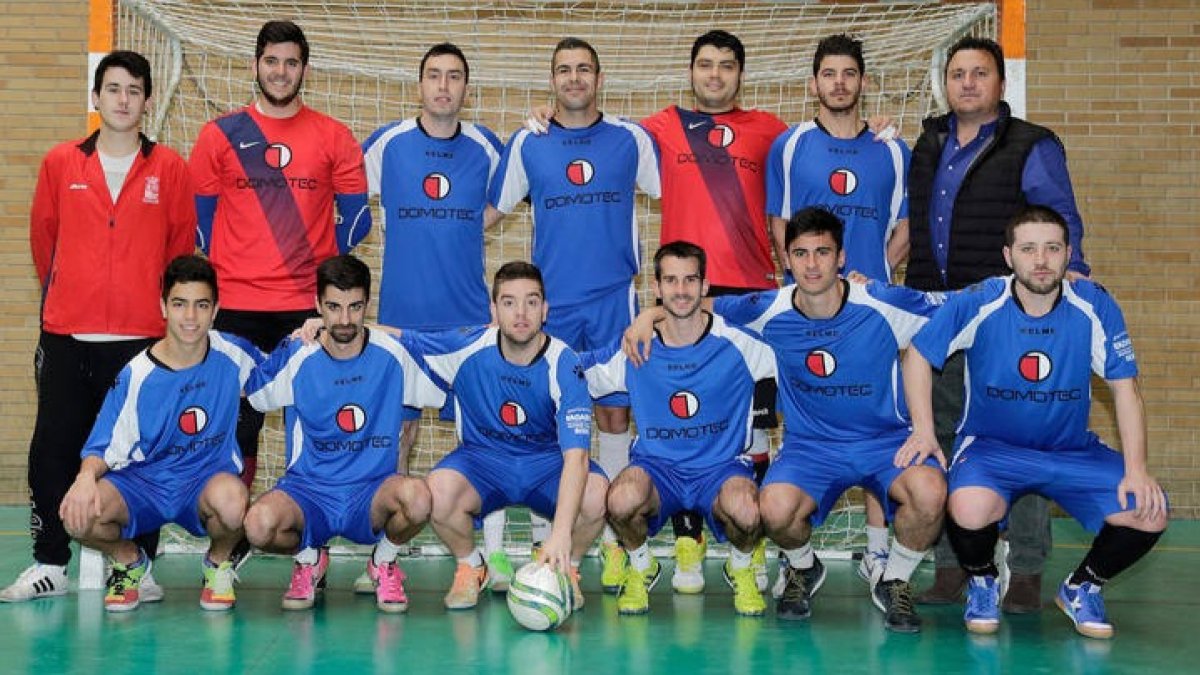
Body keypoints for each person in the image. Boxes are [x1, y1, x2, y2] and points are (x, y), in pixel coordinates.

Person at [625, 208, 946, 632]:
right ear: (786, 260)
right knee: (772, 509)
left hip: (884, 443)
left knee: (931, 491)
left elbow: (958, 307)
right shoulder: (766, 308)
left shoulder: (881, 303)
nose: (812, 264)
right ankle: (803, 567)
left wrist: (1044, 281)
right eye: (801, 253)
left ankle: (896, 579)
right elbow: (691, 302)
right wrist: (648, 316)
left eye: (822, 252)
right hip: (811, 448)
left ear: (841, 257)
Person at [900, 205, 1167, 639]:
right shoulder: (980, 300)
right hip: (992, 449)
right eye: (1028, 249)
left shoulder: (1094, 303)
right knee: (967, 506)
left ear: (1067, 254)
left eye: (1052, 248)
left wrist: (1137, 469)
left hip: (1069, 450)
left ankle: (1082, 587)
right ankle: (983, 580)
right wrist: (924, 430)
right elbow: (919, 353)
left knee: (1150, 511)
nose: (1040, 260)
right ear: (1009, 256)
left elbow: (1125, 389)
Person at [905, 36, 1092, 612]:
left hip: (1004, 318)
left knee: (1020, 435)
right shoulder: (930, 139)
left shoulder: (1031, 144)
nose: (966, 82)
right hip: (936, 312)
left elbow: (1057, 218)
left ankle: (1029, 567)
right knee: (938, 435)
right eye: (957, 73)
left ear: (999, 84)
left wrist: (1074, 272)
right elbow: (912, 223)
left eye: (978, 73)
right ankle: (953, 565)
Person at [3, 50, 194, 603]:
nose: (123, 99)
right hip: (68, 336)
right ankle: (49, 563)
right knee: (54, 450)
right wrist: (71, 294)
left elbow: (180, 251)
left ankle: (139, 566)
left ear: (147, 101)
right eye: (113, 89)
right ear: (96, 98)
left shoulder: (170, 169)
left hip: (140, 342)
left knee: (142, 455)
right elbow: (45, 241)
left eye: (134, 90)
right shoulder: (62, 163)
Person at [487, 37, 659, 592]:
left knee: (613, 417)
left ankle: (610, 543)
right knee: (548, 425)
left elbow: (678, 191)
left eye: (584, 69)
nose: (574, 78)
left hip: (615, 299)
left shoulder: (631, 139)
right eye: (564, 70)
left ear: (600, 77)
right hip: (550, 305)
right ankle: (548, 543)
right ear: (552, 80)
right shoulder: (529, 142)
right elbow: (489, 212)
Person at [190, 20, 371, 489]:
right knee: (236, 426)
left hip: (305, 311)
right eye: (271, 60)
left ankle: (309, 547)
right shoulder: (219, 135)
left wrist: (314, 268)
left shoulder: (334, 136)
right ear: (255, 65)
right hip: (236, 308)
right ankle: (227, 548)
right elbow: (200, 224)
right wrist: (241, 265)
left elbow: (357, 222)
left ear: (304, 70)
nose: (280, 71)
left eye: (291, 62)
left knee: (313, 424)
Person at [764, 33, 912, 582]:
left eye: (849, 74)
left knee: (878, 420)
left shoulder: (894, 149)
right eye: (829, 74)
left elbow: (906, 227)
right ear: (813, 84)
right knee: (809, 422)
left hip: (869, 316)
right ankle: (795, 558)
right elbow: (780, 224)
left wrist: (874, 281)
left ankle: (878, 551)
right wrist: (809, 279)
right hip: (809, 312)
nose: (840, 84)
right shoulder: (791, 145)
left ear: (863, 83)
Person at [360, 42, 503, 592]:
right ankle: (384, 555)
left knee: (482, 437)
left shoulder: (489, 148)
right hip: (400, 319)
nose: (444, 86)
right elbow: (350, 205)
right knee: (400, 434)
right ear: (419, 84)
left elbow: (495, 210)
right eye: (434, 76)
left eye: (454, 77)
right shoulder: (387, 145)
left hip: (468, 321)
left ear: (467, 87)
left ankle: (488, 555)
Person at [242, 255, 444, 613]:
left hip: (371, 491)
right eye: (333, 308)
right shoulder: (300, 353)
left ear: (367, 304)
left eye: (355, 307)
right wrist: (289, 343)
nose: (345, 320)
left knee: (419, 497)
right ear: (318, 306)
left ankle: (383, 562)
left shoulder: (394, 354)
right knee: (258, 526)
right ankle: (308, 560)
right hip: (309, 490)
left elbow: (445, 389)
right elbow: (254, 393)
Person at [59, 256, 261, 612]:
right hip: (144, 484)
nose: (190, 317)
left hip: (203, 481)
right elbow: (104, 443)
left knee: (234, 504)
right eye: (179, 304)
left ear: (216, 309)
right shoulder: (137, 374)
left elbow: (282, 377)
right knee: (79, 513)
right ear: (163, 307)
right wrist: (85, 477)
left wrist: (307, 334)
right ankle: (128, 561)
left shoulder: (234, 355)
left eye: (201, 305)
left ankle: (218, 564)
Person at [585, 241, 775, 617]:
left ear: (705, 287)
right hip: (659, 469)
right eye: (671, 280)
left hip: (721, 468)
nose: (681, 290)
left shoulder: (741, 345)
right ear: (656, 288)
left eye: (690, 280)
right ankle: (641, 567)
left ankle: (740, 567)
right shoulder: (636, 347)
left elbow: (792, 354)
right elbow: (574, 372)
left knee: (751, 511)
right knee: (620, 499)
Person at [407, 262, 608, 610]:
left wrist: (560, 535)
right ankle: (471, 566)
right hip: (483, 463)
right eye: (510, 302)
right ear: (494, 310)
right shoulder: (467, 347)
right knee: (436, 491)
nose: (521, 313)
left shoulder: (563, 361)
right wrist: (329, 328)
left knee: (596, 494)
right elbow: (399, 339)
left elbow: (576, 456)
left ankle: (565, 570)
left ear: (545, 310)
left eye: (531, 302)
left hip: (546, 465)